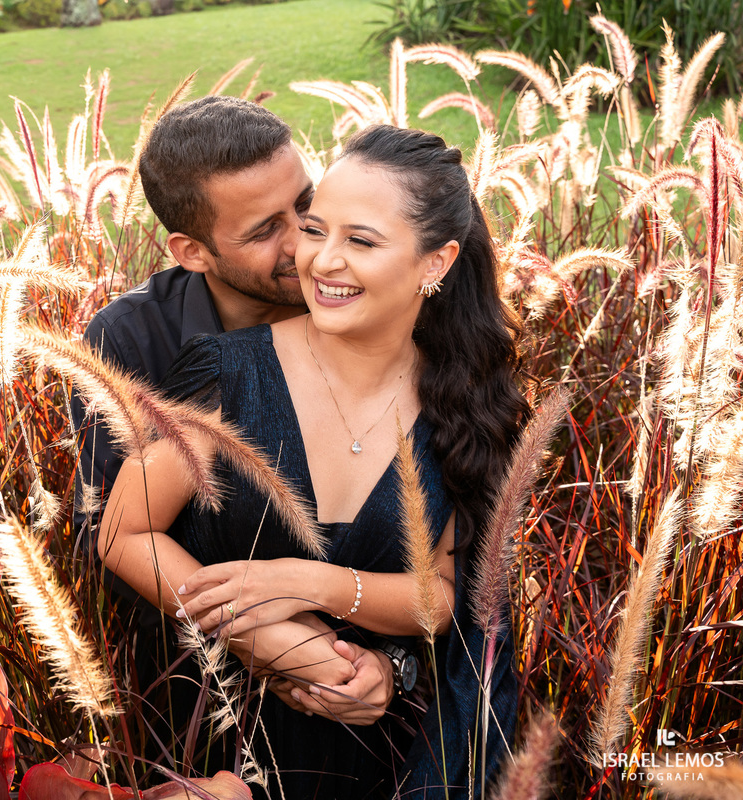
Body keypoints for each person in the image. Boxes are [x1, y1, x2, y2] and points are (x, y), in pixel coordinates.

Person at [97, 125, 527, 798]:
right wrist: (283, 647)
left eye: (360, 241)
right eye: (315, 229)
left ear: (435, 263)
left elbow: (443, 595)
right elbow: (124, 533)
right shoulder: (225, 373)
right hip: (219, 742)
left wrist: (317, 588)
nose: (320, 259)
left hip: (379, 747)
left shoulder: (464, 403)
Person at [71, 95, 399, 750]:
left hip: (378, 680)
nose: (306, 239)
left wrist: (390, 667)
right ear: (192, 251)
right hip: (208, 699)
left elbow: (437, 530)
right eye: (262, 231)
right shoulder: (134, 343)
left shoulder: (363, 300)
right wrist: (270, 642)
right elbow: (114, 535)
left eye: (307, 201)